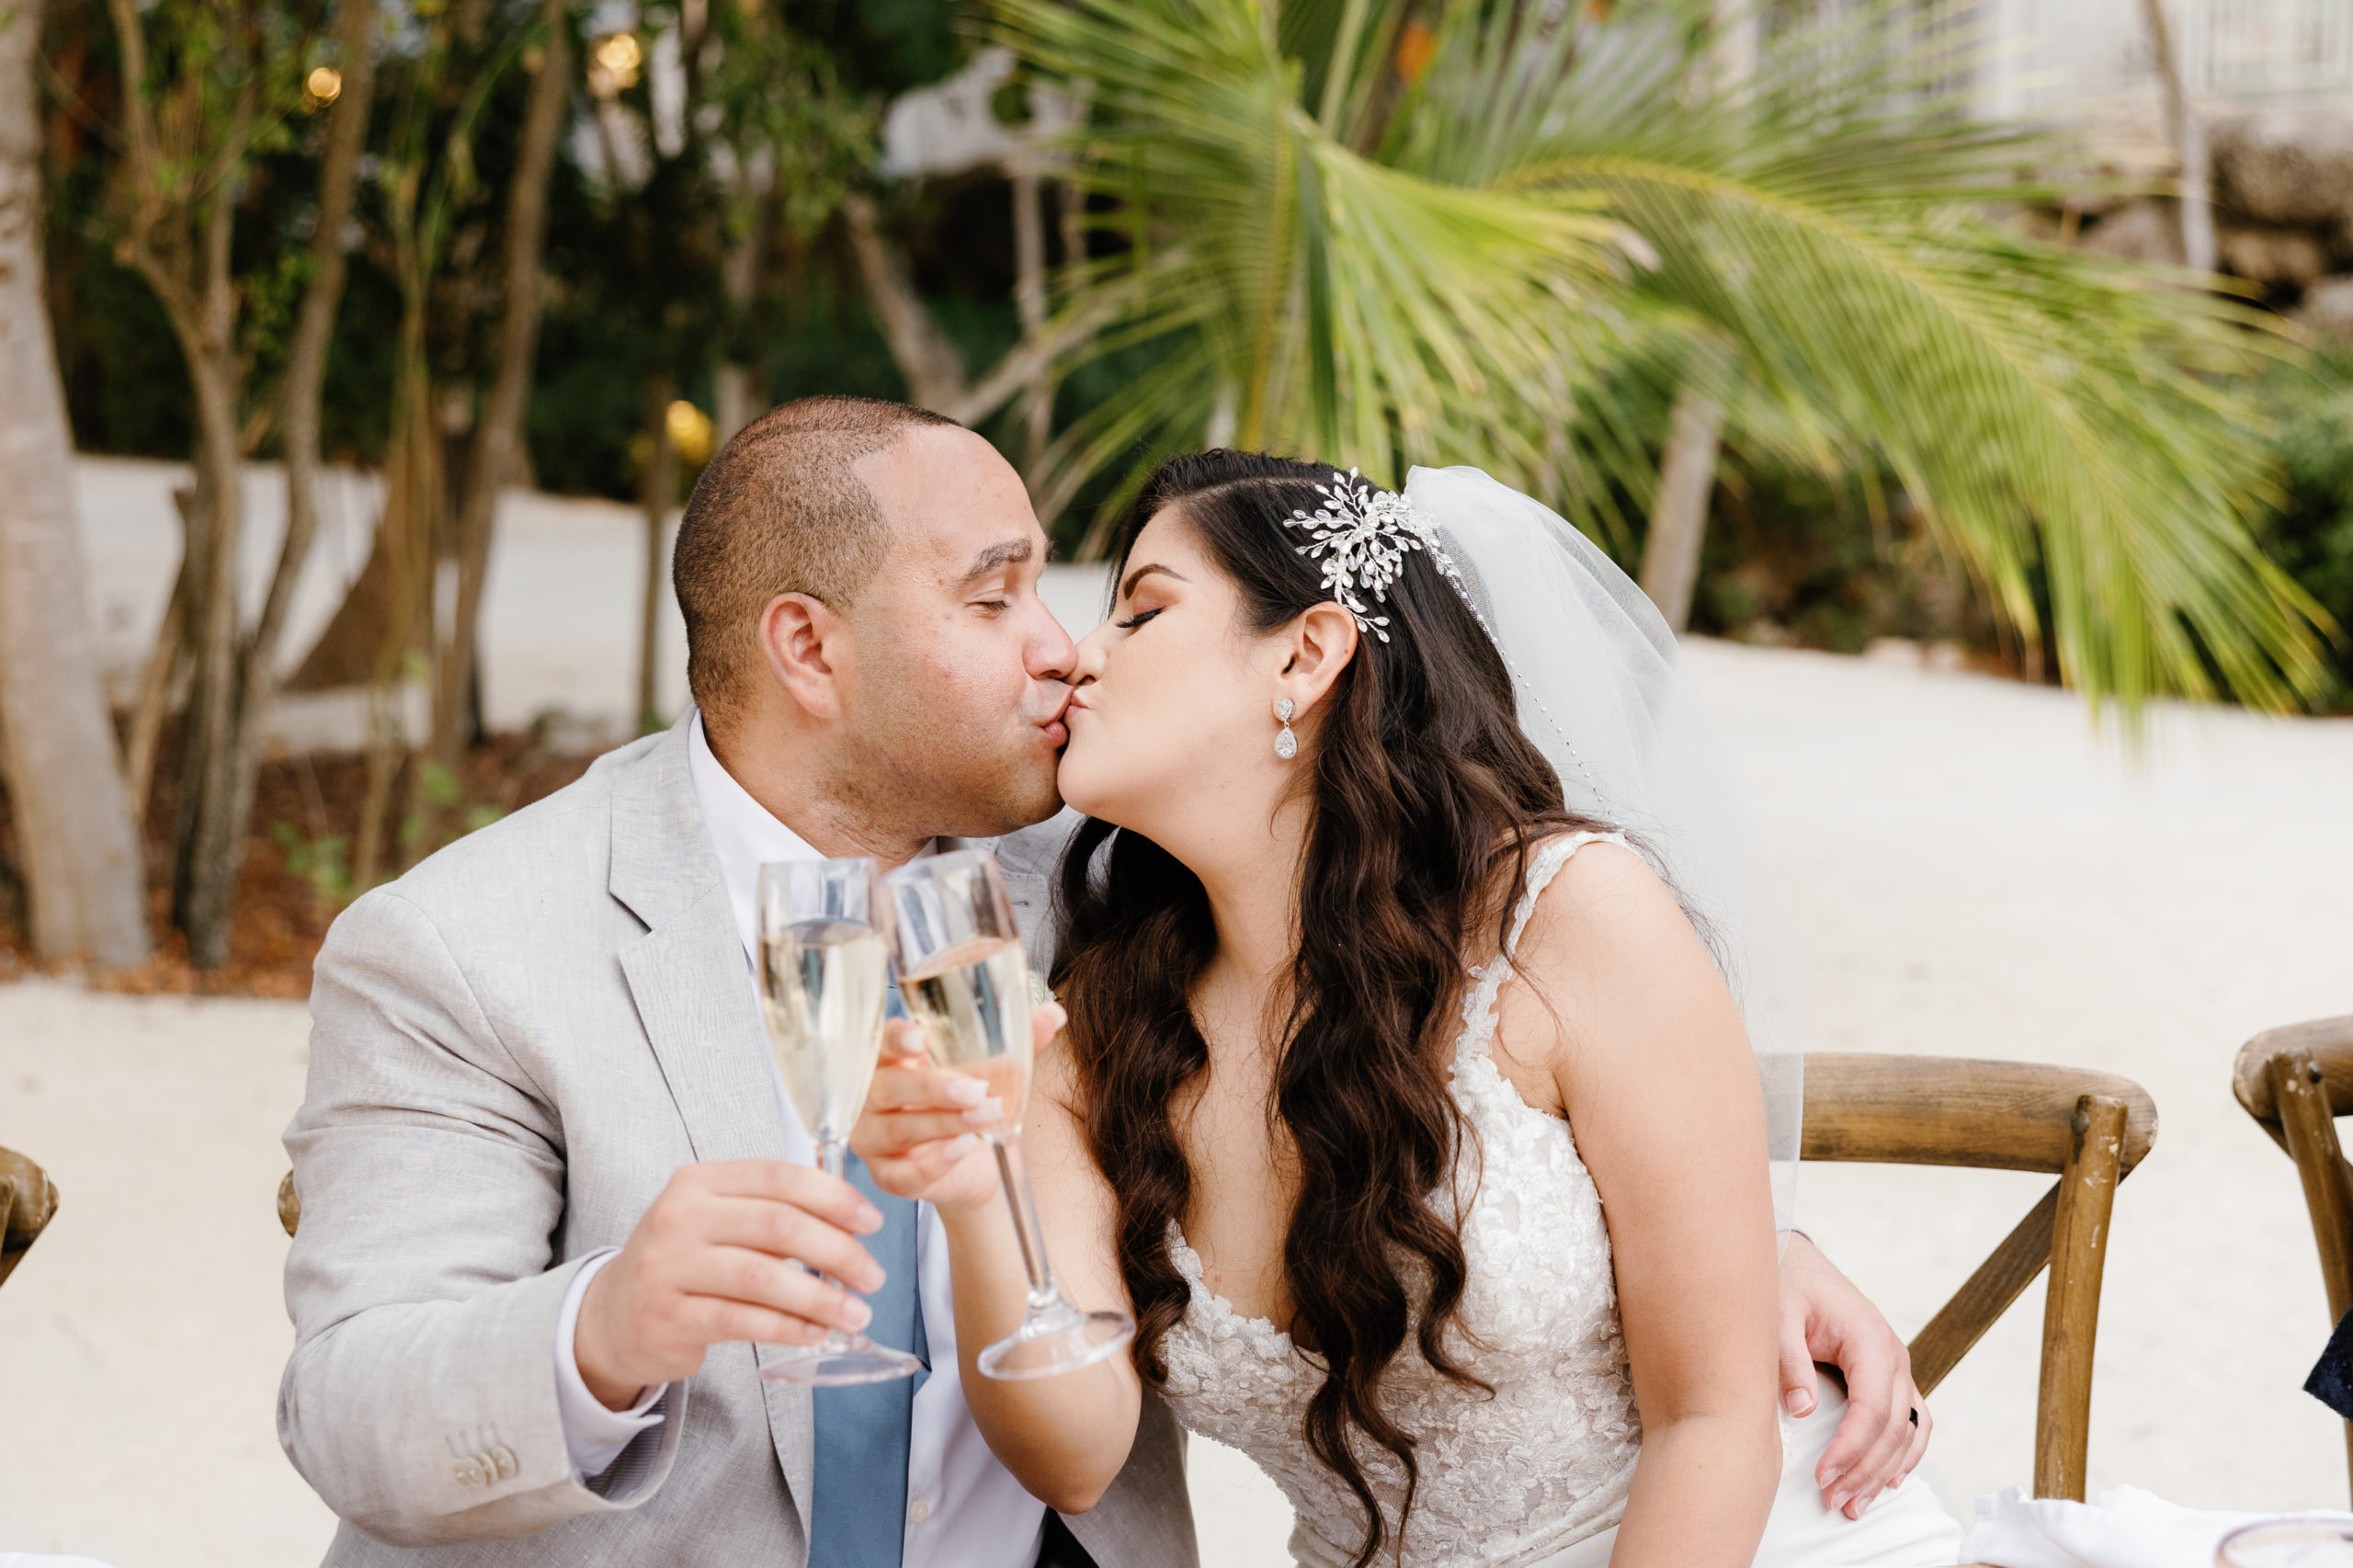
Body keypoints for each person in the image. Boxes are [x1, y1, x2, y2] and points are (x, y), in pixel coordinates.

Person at [279, 401, 1928, 1567]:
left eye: (1107, 600)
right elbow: (351, 1408)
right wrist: (606, 1328)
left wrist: (1730, 1228)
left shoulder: (1092, 889)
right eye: (999, 594)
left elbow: (1447, 1044)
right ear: (807, 648)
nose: (1067, 647)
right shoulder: (464, 948)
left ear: (1307, 660)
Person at [857, 450, 1966, 1568]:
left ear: (1305, 652)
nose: (1076, 654)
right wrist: (974, 1190)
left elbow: (1713, 1424)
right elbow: (1076, 1453)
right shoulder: (1090, 1036)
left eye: (1142, 613)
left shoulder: (1566, 920)